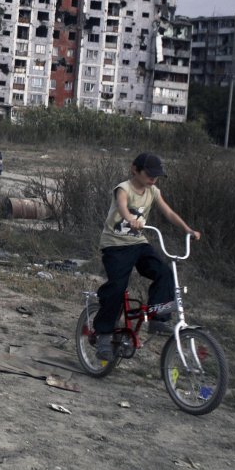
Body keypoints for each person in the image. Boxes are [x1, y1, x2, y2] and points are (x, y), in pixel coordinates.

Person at [93, 152, 200, 360]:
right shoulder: (124, 188)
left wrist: (188, 230)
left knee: (165, 273)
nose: (153, 178)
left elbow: (169, 213)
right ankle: (103, 336)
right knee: (117, 287)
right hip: (115, 246)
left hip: (138, 244)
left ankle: (157, 317)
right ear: (135, 170)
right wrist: (131, 219)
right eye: (149, 174)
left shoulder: (153, 191)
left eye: (156, 175)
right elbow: (123, 207)